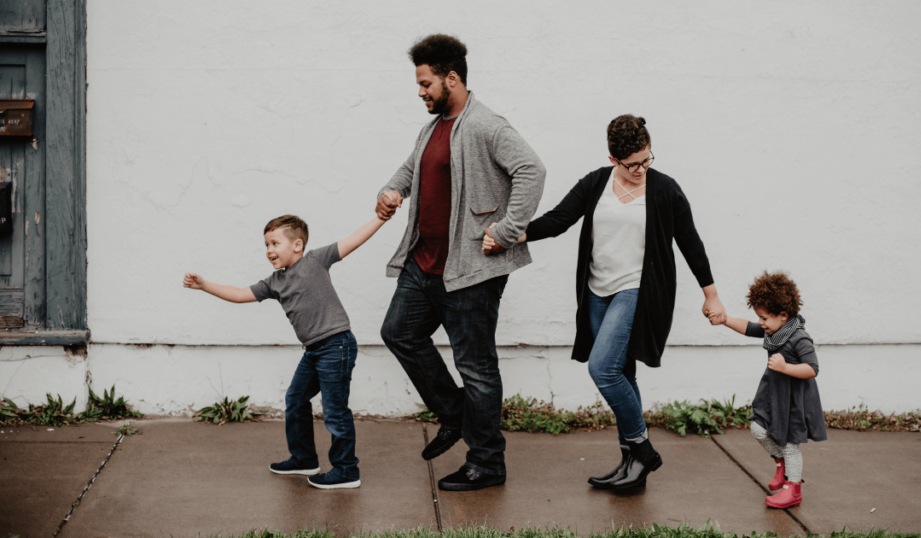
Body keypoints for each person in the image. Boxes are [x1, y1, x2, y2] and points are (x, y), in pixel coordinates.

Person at [484, 115, 726, 490]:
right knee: (622, 373)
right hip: (597, 292)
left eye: (647, 160)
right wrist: (509, 236)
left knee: (603, 369)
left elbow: (690, 242)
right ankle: (631, 466)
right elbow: (559, 220)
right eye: (633, 164)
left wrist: (711, 294)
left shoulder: (664, 190)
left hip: (637, 290)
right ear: (614, 159)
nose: (642, 169)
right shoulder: (597, 183)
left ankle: (643, 450)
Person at [376, 34, 545, 491]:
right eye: (419, 83)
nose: (420, 91)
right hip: (424, 264)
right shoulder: (432, 127)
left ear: (452, 78)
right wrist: (391, 191)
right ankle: (455, 416)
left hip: (469, 270)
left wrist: (507, 231)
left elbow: (532, 170)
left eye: (426, 82)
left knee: (476, 366)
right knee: (399, 333)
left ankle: (487, 462)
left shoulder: (486, 125)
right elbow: (411, 169)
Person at [183, 214, 387, 489]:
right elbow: (241, 293)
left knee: (335, 411)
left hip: (336, 345)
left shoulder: (316, 260)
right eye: (266, 245)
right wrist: (204, 285)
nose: (269, 250)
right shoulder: (275, 282)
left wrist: (381, 218)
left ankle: (347, 470)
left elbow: (354, 240)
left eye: (275, 243)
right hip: (313, 351)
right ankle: (304, 459)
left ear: (297, 245)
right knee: (296, 398)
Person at [721, 272, 827, 509]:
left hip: (793, 400)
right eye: (760, 318)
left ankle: (793, 489)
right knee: (758, 428)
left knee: (790, 445)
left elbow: (812, 368)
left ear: (783, 315)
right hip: (774, 396)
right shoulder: (774, 330)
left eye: (764, 318)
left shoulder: (799, 337)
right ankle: (781, 463)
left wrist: (785, 366)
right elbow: (748, 328)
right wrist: (724, 319)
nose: (761, 323)